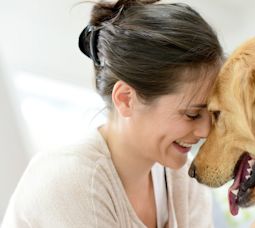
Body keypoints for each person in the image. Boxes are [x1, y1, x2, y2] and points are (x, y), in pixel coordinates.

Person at [2, 0, 223, 227]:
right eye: (192, 114)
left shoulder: (183, 181)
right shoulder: (69, 181)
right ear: (126, 99)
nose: (205, 131)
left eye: (213, 113)